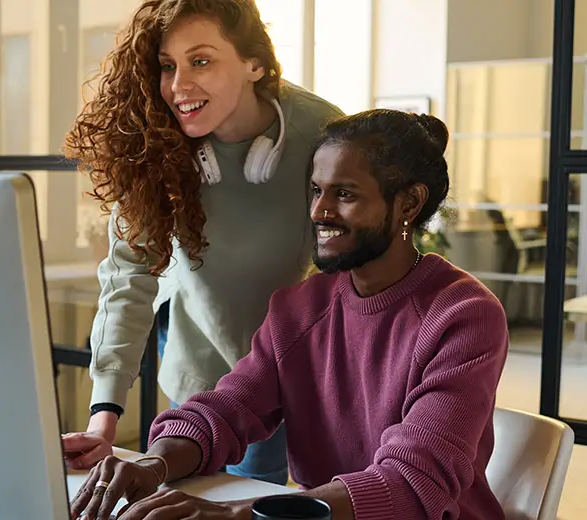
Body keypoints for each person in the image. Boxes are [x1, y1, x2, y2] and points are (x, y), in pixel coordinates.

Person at [69, 109, 510, 520]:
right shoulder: (300, 309)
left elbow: (412, 485)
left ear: (409, 204)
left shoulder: (464, 316)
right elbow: (223, 411)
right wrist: (154, 463)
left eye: (345, 194)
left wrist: (235, 514)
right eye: (317, 190)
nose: (319, 210)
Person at [61, 0, 344, 486]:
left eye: (202, 60)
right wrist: (103, 416)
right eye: (168, 66)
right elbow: (129, 277)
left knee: (253, 496)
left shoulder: (321, 133)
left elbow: (354, 261)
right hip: (196, 356)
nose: (178, 86)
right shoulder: (154, 143)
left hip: (284, 366)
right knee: (182, 494)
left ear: (255, 63)